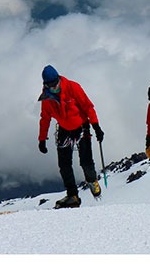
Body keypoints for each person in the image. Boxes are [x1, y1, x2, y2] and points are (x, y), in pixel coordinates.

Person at [37, 65, 103, 208]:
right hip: (64, 129)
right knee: (64, 164)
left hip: (81, 126)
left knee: (85, 162)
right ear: (46, 85)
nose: (54, 87)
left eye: (55, 83)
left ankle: (92, 180)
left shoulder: (73, 87)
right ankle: (72, 195)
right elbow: (45, 118)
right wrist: (42, 139)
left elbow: (88, 107)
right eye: (51, 85)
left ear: (59, 79)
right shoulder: (47, 98)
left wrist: (96, 126)